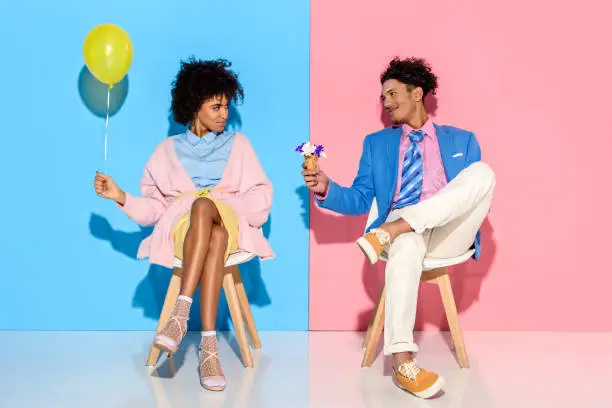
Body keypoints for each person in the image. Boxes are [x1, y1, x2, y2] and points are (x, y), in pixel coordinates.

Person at [302, 57, 495, 399]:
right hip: (404, 236)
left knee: (483, 174)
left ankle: (394, 229)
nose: (386, 102)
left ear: (417, 93)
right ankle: (403, 362)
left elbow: (468, 197)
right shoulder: (376, 144)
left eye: (392, 94)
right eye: (383, 97)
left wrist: (395, 227)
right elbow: (361, 198)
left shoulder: (463, 141)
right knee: (405, 243)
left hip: (449, 232)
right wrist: (325, 188)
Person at [94, 58, 274, 391]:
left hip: (231, 220)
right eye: (216, 106)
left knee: (206, 205)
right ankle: (209, 347)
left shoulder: (239, 145)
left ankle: (181, 313)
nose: (224, 114)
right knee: (211, 233)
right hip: (186, 230)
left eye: (226, 106)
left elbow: (260, 192)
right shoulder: (166, 151)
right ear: (194, 106)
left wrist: (239, 208)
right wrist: (121, 196)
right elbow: (155, 210)